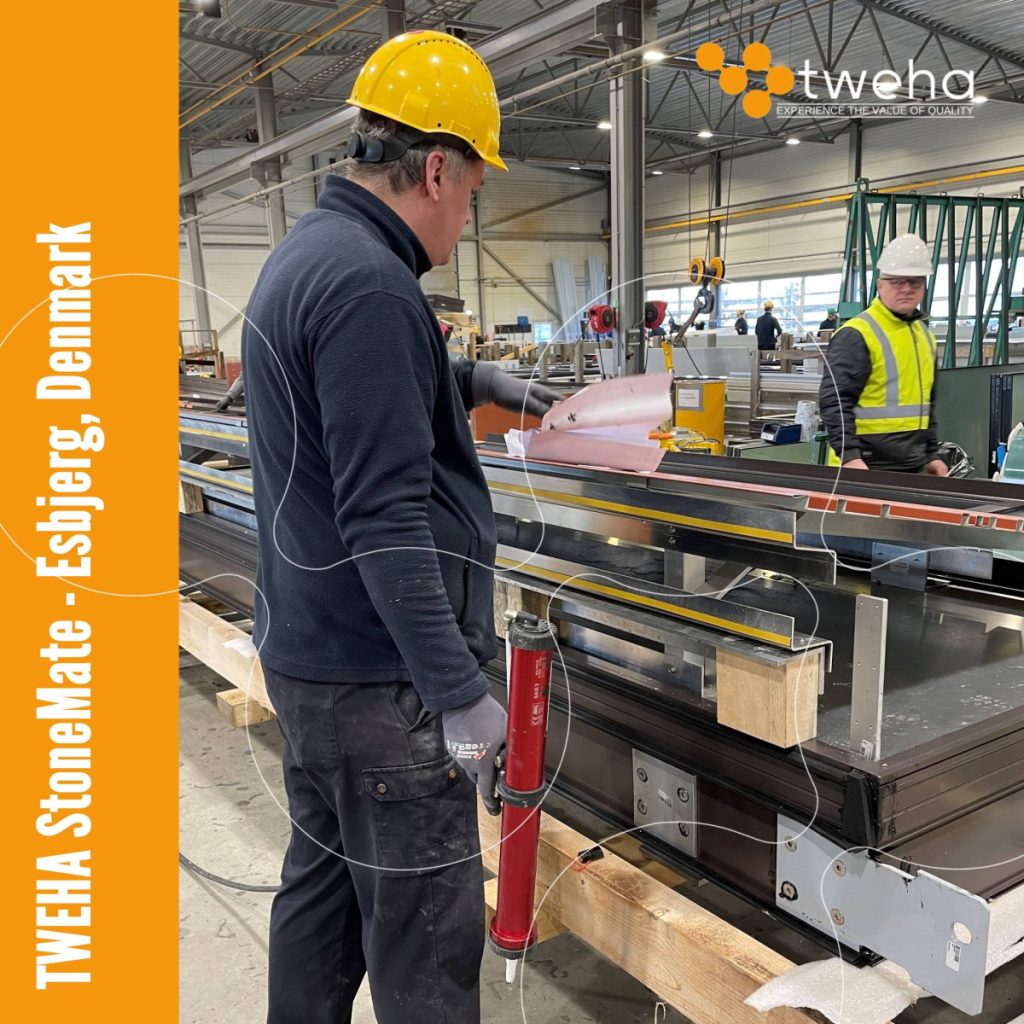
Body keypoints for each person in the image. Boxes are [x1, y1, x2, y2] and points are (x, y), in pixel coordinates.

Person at [241, 30, 561, 1024]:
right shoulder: (373, 286)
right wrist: (460, 695)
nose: (467, 216)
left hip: (312, 665)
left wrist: (473, 379)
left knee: (322, 905)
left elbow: (355, 395)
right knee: (425, 946)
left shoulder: (309, 256)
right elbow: (382, 518)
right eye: (472, 191)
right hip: (381, 689)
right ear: (434, 170)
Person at [819, 233, 947, 475]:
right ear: (880, 285)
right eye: (897, 282)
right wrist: (849, 457)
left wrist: (931, 454)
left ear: (924, 286)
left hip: (912, 466)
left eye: (914, 282)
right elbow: (834, 401)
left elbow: (926, 404)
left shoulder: (924, 336)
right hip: (865, 466)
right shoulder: (857, 334)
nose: (906, 289)